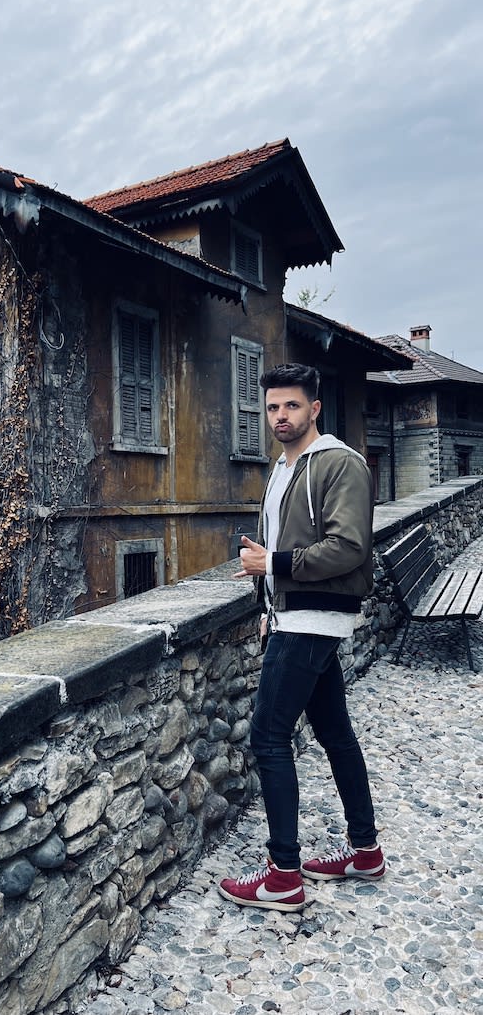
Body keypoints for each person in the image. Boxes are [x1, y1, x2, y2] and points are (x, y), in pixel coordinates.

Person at [218, 362, 384, 913]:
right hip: (294, 616)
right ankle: (366, 852)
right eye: (271, 408)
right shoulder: (282, 469)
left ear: (314, 408)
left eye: (291, 406)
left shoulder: (340, 464)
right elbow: (280, 551)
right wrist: (269, 593)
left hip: (315, 619)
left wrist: (274, 564)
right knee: (335, 733)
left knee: (268, 735)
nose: (280, 417)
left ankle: (283, 876)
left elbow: (348, 547)